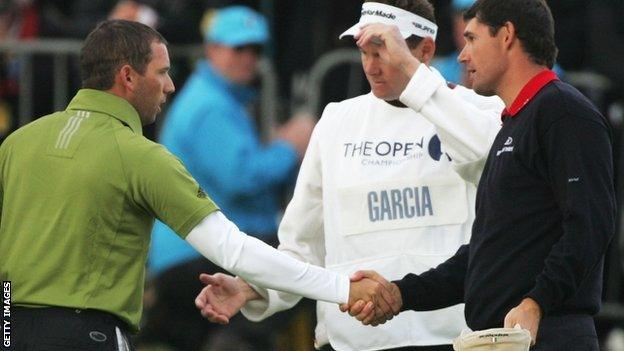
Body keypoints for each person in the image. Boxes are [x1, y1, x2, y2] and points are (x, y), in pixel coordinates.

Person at [0, 19, 391, 351]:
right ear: (128, 77)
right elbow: (232, 250)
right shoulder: (138, 154)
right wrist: (342, 288)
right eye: (162, 72)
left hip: (6, 325)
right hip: (85, 333)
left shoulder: (18, 141)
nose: (170, 86)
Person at [194, 1, 504, 350]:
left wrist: (415, 82)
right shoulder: (337, 121)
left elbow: (488, 156)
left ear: (426, 50)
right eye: (364, 51)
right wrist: (255, 287)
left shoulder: (481, 110)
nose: (372, 66)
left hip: (453, 336)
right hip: (354, 340)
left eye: (385, 51)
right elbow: (303, 247)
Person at [341, 0, 615, 350]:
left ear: (506, 36)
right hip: (501, 339)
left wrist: (538, 302)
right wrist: (401, 293)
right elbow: (487, 254)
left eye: (471, 39)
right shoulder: (514, 125)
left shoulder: (564, 111)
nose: (462, 56)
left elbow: (591, 225)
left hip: (547, 335)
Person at [145, 5, 315, 350]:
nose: (248, 58)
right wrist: (289, 145)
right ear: (212, 50)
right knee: (307, 268)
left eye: (255, 49)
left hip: (194, 251)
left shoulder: (216, 98)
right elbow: (242, 179)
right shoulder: (210, 104)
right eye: (238, 48)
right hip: (199, 253)